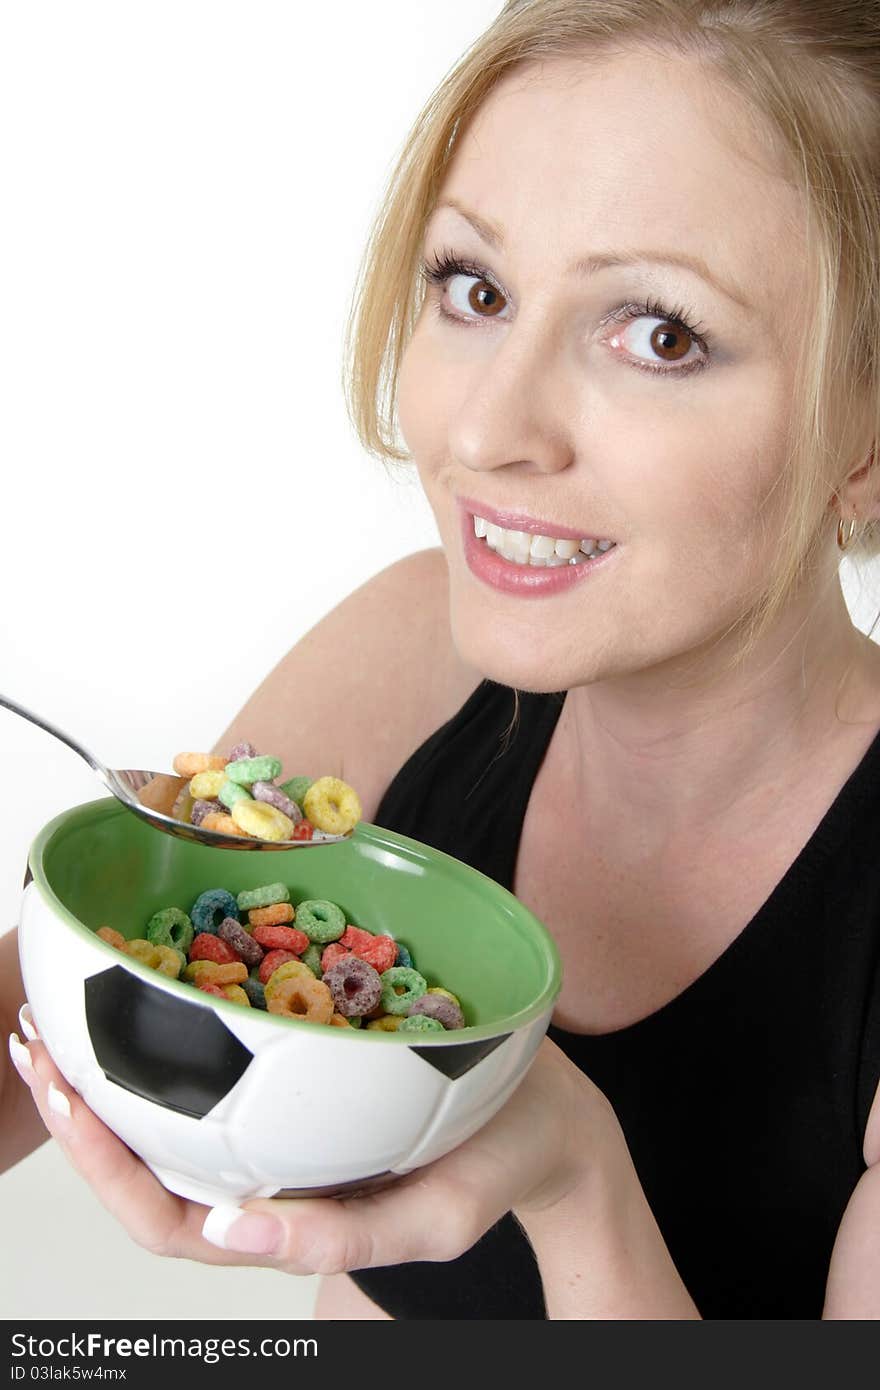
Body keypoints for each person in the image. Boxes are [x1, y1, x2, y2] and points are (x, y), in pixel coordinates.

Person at [5, 0, 880, 1319]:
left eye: (659, 332)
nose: (486, 427)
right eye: (476, 289)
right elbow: (64, 995)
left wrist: (574, 1180)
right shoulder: (417, 653)